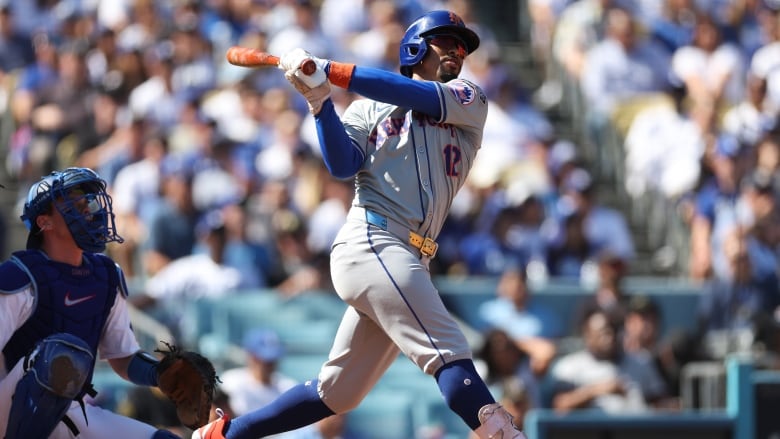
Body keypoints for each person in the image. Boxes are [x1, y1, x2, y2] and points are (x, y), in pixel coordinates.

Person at [193, 9, 526, 439]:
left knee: (338, 393)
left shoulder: (469, 98)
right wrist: (318, 101)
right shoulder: (369, 109)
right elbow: (341, 163)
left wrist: (329, 70)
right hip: (373, 239)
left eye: (462, 45)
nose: (457, 51)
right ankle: (502, 433)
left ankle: (225, 435)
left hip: (408, 256)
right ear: (416, 48)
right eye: (446, 41)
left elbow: (415, 96)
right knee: (450, 351)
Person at [0, 167, 180, 438]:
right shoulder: (19, 276)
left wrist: (164, 374)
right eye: (73, 204)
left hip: (67, 410)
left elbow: (123, 358)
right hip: (8, 408)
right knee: (59, 355)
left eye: (87, 202)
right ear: (44, 222)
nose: (87, 210)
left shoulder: (106, 275)